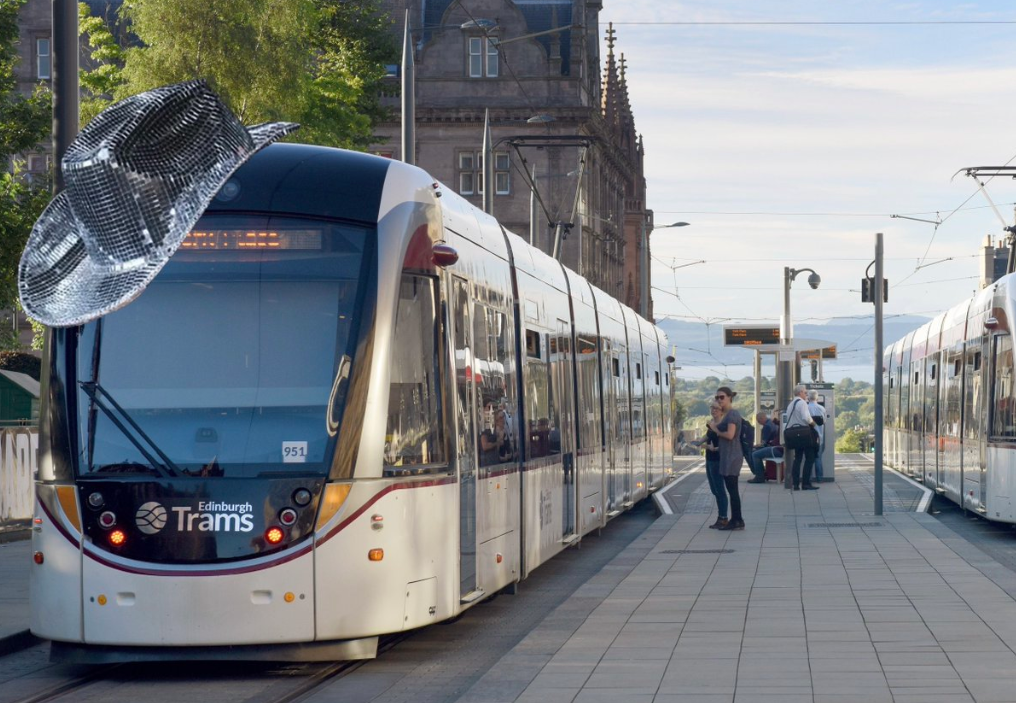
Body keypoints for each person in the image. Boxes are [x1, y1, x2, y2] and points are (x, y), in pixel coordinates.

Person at [708, 386, 744, 530]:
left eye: (722, 397)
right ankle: (737, 519)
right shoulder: (729, 414)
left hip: (732, 456)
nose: (719, 400)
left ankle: (736, 520)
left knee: (732, 490)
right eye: (717, 397)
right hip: (728, 456)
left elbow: (730, 435)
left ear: (730, 397)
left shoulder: (732, 414)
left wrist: (716, 430)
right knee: (731, 489)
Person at [697, 400, 728, 529]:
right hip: (709, 459)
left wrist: (713, 448)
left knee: (720, 490)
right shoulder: (711, 423)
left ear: (722, 411)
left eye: (716, 408)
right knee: (714, 490)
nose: (713, 410)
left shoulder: (723, 425)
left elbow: (726, 442)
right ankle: (721, 517)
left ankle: (723, 517)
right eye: (712, 407)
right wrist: (700, 442)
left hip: (718, 460)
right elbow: (707, 436)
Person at [785, 384, 819, 490]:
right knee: (810, 458)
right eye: (805, 392)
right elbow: (806, 418)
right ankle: (805, 483)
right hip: (804, 434)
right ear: (800, 393)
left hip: (794, 434)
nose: (806, 394)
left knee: (798, 459)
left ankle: (795, 484)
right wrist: (813, 423)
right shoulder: (802, 403)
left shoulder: (791, 404)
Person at [747, 412, 782, 483]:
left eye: (758, 420)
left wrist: (754, 446)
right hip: (777, 447)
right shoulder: (775, 424)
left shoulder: (767, 426)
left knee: (753, 453)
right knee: (754, 452)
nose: (758, 422)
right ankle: (762, 474)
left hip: (775, 448)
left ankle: (759, 476)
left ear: (761, 418)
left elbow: (763, 443)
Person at [807, 390, 827, 481]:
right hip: (820, 437)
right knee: (818, 458)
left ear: (808, 398)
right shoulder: (822, 408)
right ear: (817, 398)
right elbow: (824, 421)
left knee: (809, 459)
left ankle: (809, 478)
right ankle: (820, 478)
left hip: (808, 437)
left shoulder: (806, 408)